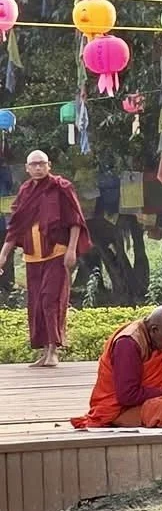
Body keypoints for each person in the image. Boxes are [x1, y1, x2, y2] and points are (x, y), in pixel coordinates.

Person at [0, 151, 90, 367]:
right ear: (27, 168)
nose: (38, 168)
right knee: (37, 304)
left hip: (56, 253)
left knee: (52, 299)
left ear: (49, 165)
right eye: (34, 164)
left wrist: (71, 250)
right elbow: (15, 227)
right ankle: (43, 351)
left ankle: (53, 350)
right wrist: (3, 255)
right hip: (32, 256)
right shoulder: (25, 191)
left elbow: (75, 220)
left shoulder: (61, 187)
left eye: (42, 164)